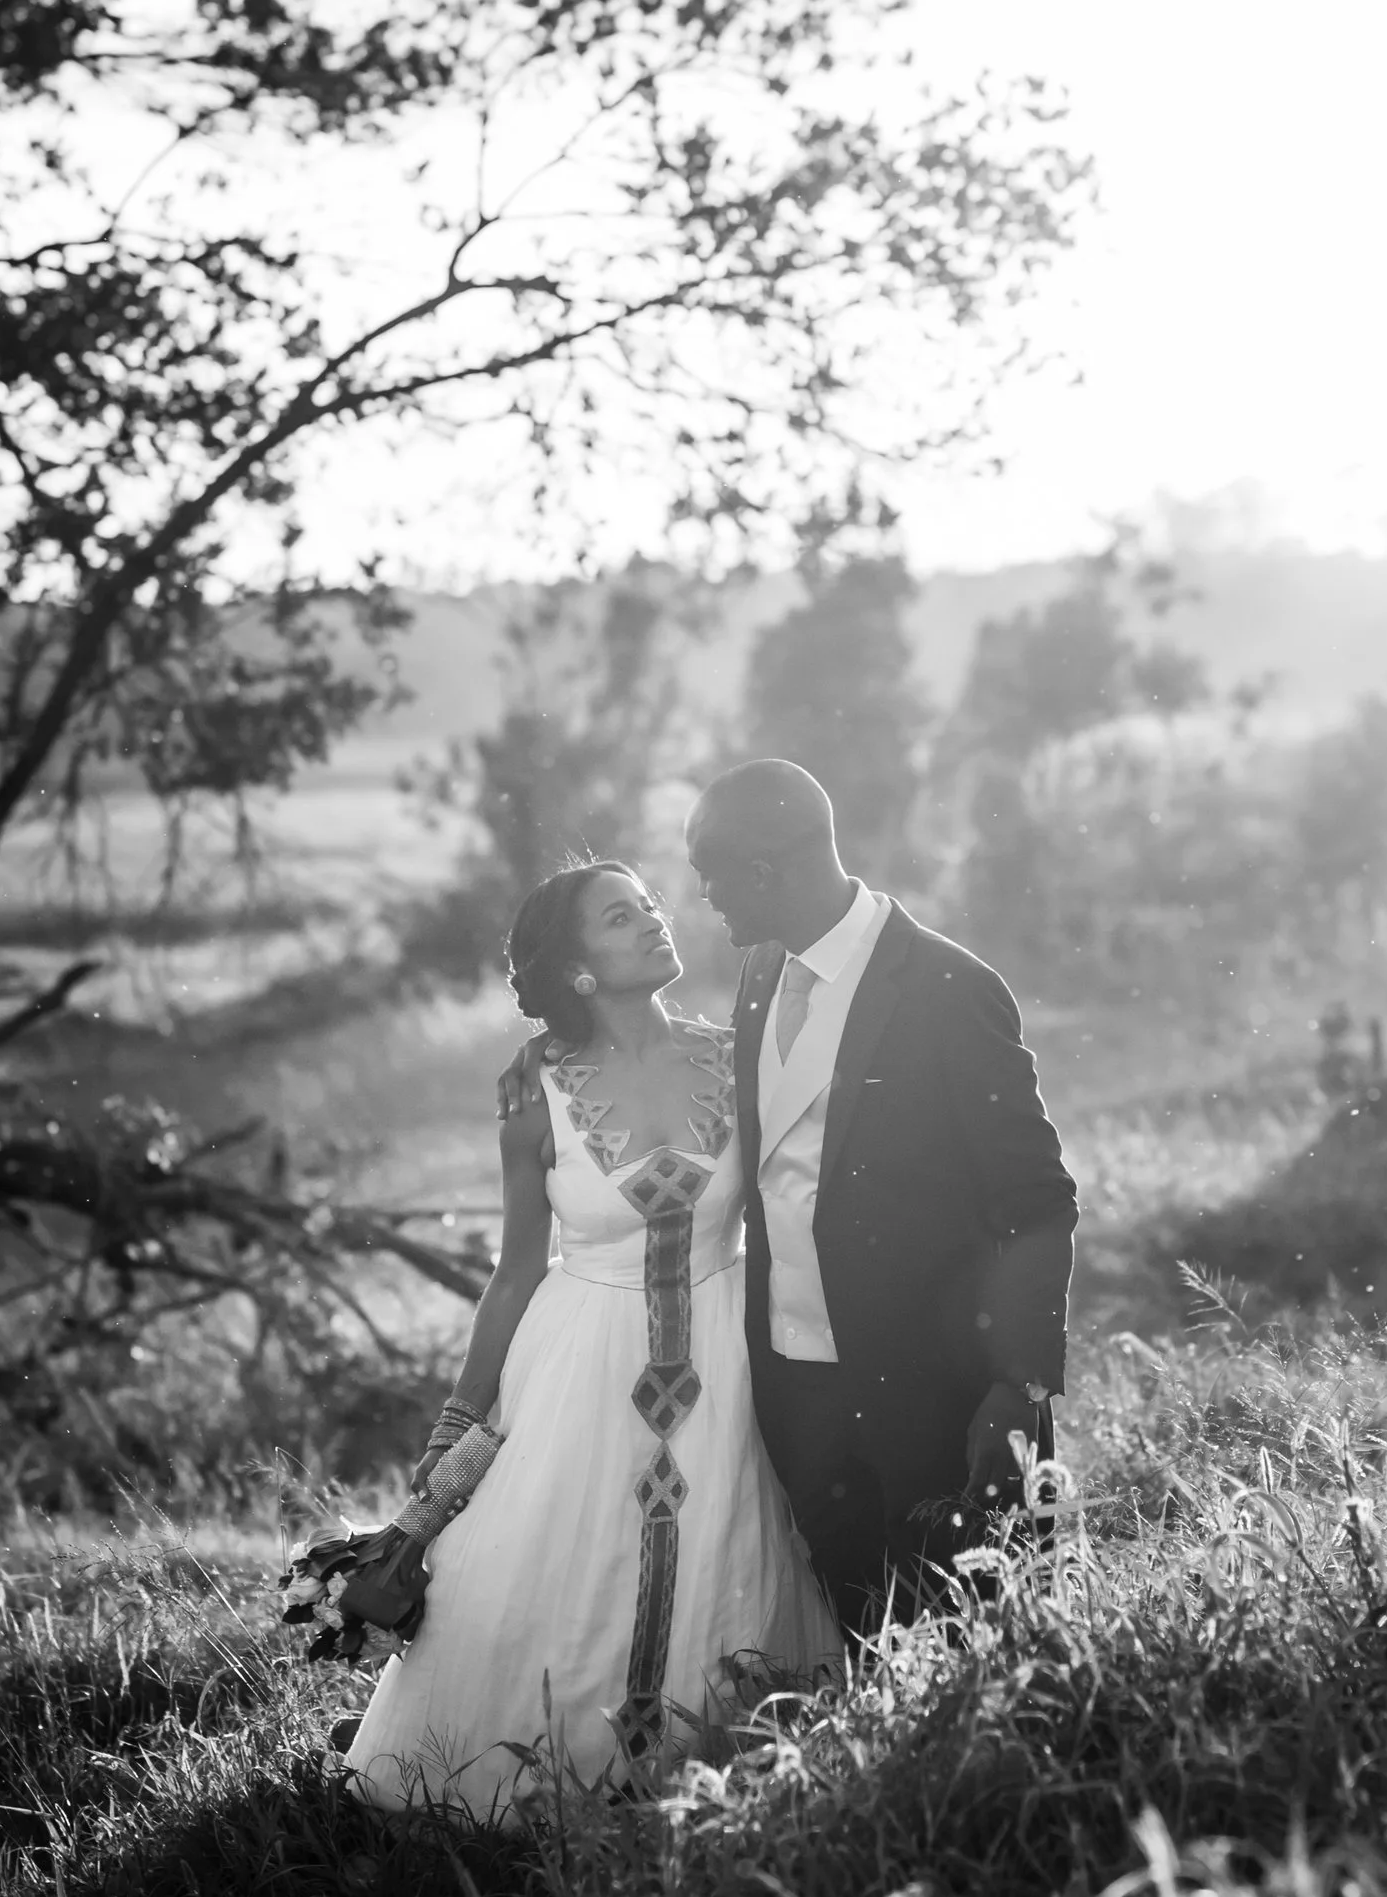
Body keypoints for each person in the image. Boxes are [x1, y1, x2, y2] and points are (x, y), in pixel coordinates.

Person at [512, 762, 1078, 1634]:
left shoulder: (948, 989)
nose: (698, 896)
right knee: (857, 1636)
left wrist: (1022, 1380)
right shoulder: (760, 977)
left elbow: (1036, 1199)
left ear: (767, 873)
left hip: (934, 1388)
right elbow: (653, 1071)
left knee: (977, 1636)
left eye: (713, 872)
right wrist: (550, 1043)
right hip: (795, 1394)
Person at [340, 860, 841, 1815]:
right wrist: (460, 1414)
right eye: (623, 916)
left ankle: (714, 1774)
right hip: (582, 1365)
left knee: (733, 1551)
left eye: (652, 905)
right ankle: (535, 1777)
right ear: (575, 967)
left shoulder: (737, 1056)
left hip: (734, 1358)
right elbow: (516, 1266)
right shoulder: (534, 1096)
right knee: (561, 1564)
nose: (655, 921)